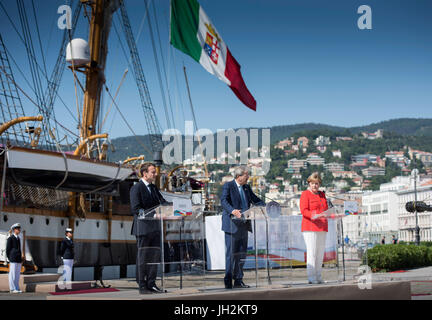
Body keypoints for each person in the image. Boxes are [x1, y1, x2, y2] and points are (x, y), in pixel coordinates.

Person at [220, 166, 264, 289]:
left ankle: (238, 280)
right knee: (231, 254)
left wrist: (268, 206)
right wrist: (233, 211)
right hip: (231, 225)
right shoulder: (228, 186)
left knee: (241, 254)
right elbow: (223, 201)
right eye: (246, 174)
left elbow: (256, 200)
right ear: (239, 176)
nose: (248, 176)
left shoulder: (246, 187)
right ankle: (228, 280)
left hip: (244, 225)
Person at [130, 162, 168, 294]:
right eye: (153, 172)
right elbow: (136, 209)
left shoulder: (154, 188)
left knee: (154, 257)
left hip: (155, 228)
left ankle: (151, 283)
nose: (155, 174)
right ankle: (142, 285)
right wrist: (155, 214)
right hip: (143, 228)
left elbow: (163, 202)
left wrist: (178, 209)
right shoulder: (136, 188)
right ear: (145, 173)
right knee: (143, 257)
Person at [300, 172, 328, 284]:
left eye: (317, 183)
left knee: (320, 253)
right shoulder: (305, 194)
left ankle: (318, 276)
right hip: (310, 227)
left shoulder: (322, 194)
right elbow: (304, 210)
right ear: (309, 183)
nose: (315, 186)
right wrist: (314, 214)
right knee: (312, 253)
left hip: (322, 226)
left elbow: (325, 208)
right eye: (313, 183)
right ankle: (311, 277)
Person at [6, 223, 23, 293]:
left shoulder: (18, 238)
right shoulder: (11, 238)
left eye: (19, 229)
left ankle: (16, 287)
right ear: (14, 230)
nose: (19, 230)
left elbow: (19, 249)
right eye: (17, 229)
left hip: (18, 258)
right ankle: (12, 288)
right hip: (13, 258)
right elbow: (8, 249)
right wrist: (9, 257)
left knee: (17, 274)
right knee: (12, 274)